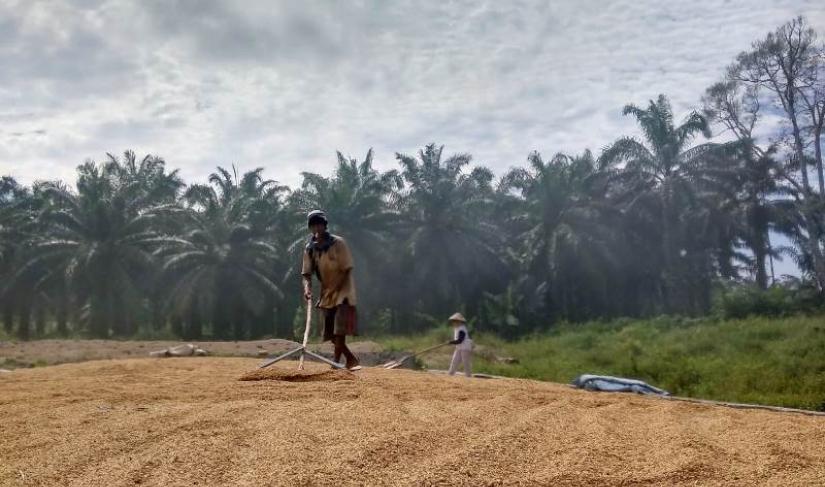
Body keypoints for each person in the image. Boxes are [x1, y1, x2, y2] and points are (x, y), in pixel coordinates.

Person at [301, 210, 360, 370]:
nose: (317, 229)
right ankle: (350, 359)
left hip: (343, 291)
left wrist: (336, 287)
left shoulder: (338, 243)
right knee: (331, 334)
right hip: (326, 293)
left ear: (325, 225)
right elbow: (306, 274)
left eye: (320, 225)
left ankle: (335, 364)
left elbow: (347, 268)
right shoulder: (310, 249)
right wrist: (307, 289)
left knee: (339, 329)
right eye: (314, 226)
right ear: (311, 228)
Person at [447, 312, 473, 377]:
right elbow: (458, 341)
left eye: (454, 321)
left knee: (465, 362)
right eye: (453, 322)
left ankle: (468, 375)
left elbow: (460, 340)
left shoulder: (462, 329)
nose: (453, 323)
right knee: (454, 360)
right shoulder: (456, 328)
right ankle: (451, 373)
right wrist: (451, 342)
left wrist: (451, 342)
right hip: (459, 347)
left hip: (465, 347)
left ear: (459, 322)